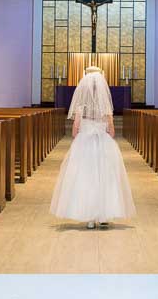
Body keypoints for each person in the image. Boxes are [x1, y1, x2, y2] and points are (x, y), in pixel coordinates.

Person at [50, 65, 136, 229]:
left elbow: (75, 129)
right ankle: (104, 217)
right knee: (106, 177)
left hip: (85, 143)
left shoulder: (81, 105)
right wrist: (103, 130)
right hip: (103, 144)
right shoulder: (105, 105)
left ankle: (89, 217)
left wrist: (82, 133)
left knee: (85, 178)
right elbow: (111, 130)